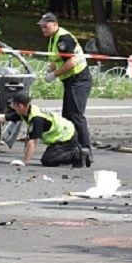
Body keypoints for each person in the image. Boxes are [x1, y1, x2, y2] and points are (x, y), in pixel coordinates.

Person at [0, 92, 90, 167]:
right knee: (50, 158)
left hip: (67, 136)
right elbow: (3, 117)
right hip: (61, 137)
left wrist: (25, 161)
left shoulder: (36, 118)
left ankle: (77, 154)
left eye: (14, 105)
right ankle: (74, 153)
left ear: (20, 106)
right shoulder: (25, 112)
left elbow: (32, 142)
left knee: (48, 160)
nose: (12, 107)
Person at [38, 12, 92, 156]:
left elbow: (72, 62)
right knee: (67, 115)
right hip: (70, 80)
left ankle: (85, 149)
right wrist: (51, 67)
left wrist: (54, 74)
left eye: (46, 26)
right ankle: (71, 146)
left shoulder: (63, 38)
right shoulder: (52, 38)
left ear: (55, 24)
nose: (43, 29)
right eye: (42, 27)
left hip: (79, 79)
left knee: (76, 114)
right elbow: (59, 59)